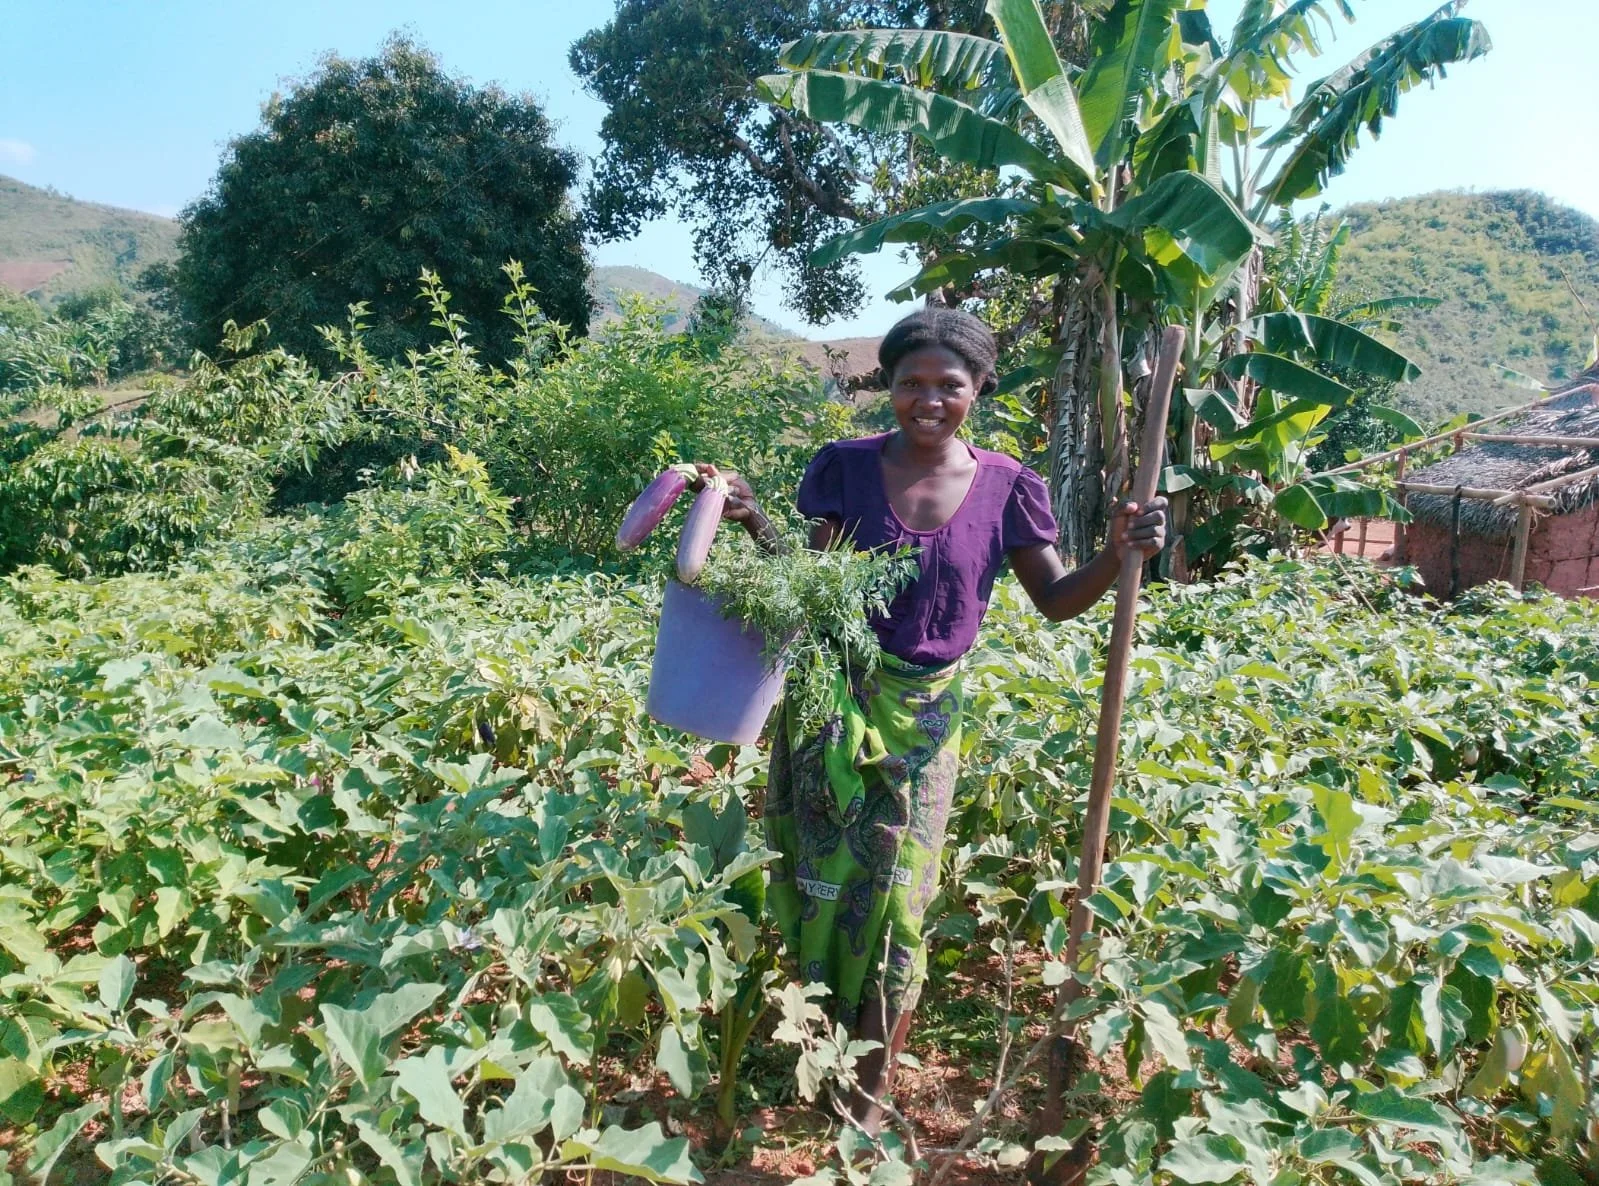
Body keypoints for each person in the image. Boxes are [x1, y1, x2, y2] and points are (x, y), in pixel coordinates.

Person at [693, 308, 1167, 1133]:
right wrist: (751, 521)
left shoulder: (1007, 485)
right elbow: (810, 582)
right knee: (828, 882)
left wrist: (1119, 551)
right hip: (830, 707)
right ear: (889, 386)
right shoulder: (841, 467)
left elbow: (1055, 602)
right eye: (910, 382)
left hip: (923, 719)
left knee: (900, 897)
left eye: (948, 384)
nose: (926, 399)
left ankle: (867, 1105)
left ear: (978, 389)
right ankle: (824, 1048)